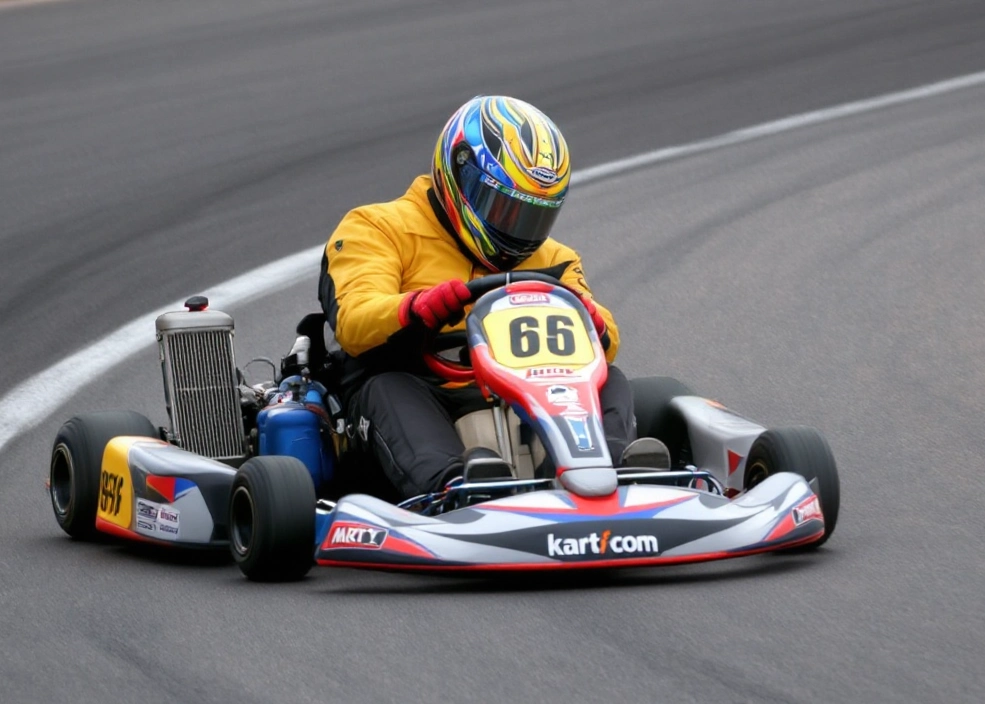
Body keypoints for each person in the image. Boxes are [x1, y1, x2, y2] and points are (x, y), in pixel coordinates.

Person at [318, 95, 644, 500]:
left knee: (609, 379)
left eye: (531, 216)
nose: (516, 229)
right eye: (502, 207)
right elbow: (354, 320)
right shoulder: (378, 228)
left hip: (530, 397)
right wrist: (418, 308)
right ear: (460, 174)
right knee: (388, 387)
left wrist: (593, 323)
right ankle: (456, 489)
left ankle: (606, 473)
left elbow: (606, 340)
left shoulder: (556, 259)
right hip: (426, 391)